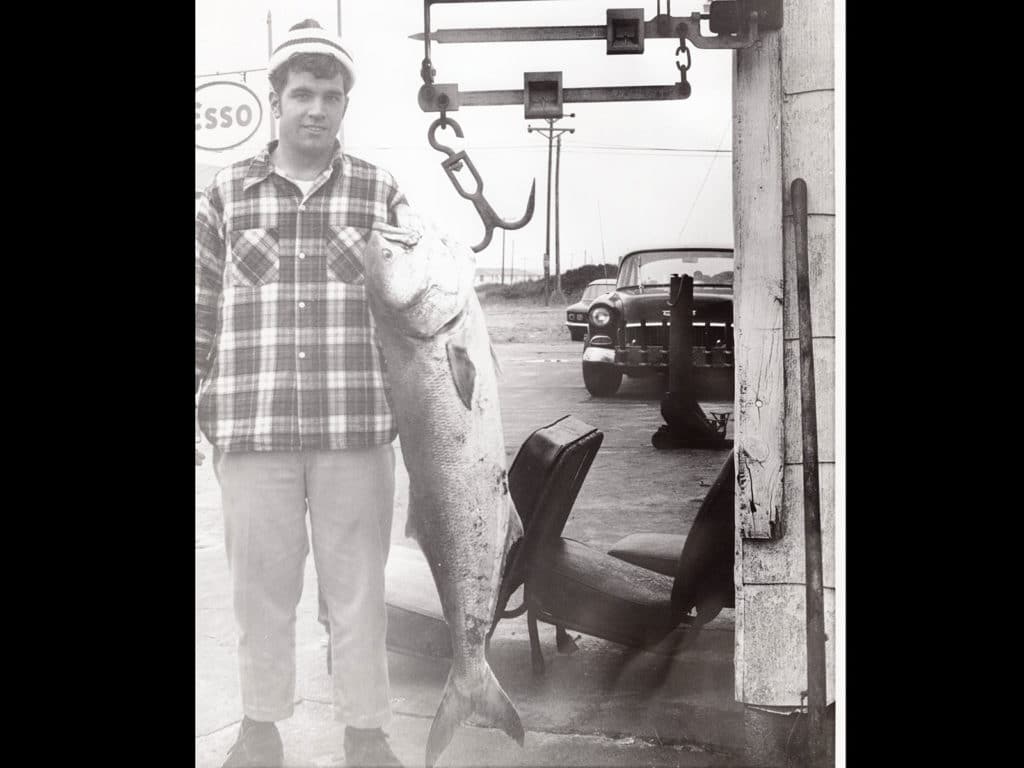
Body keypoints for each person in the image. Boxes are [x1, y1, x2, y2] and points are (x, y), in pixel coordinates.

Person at [196, 18, 417, 768]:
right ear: (275, 99)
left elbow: (415, 309)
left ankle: (367, 731)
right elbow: (197, 312)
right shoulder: (224, 193)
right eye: (301, 94)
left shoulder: (381, 191)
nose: (315, 109)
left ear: (345, 105)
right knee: (259, 594)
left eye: (330, 95)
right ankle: (260, 727)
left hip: (356, 427)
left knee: (359, 592)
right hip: (251, 431)